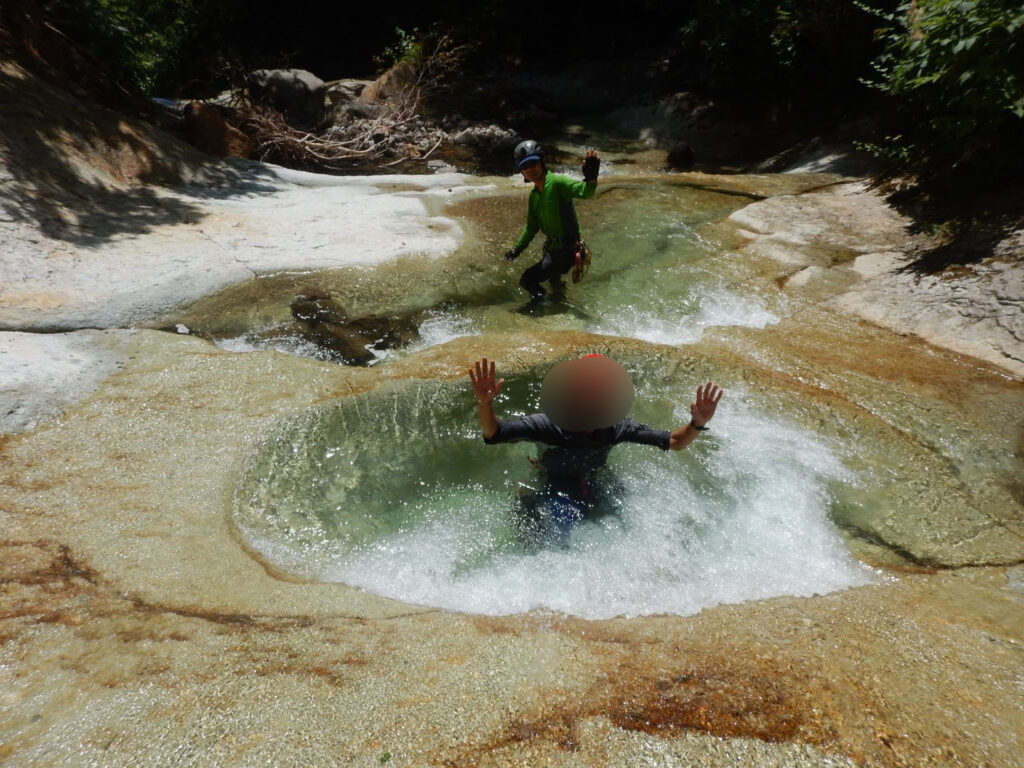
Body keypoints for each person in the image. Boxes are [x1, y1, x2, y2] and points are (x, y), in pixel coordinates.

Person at [468, 354, 723, 541]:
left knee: (627, 525)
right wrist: (484, 403)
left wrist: (697, 423)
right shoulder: (547, 425)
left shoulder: (616, 428)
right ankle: (527, 498)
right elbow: (495, 433)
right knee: (558, 532)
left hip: (594, 477)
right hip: (555, 480)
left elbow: (675, 442)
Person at [503, 140, 600, 300]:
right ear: (521, 172)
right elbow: (531, 228)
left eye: (533, 163)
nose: (530, 170)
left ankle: (540, 312)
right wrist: (516, 250)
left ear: (541, 163)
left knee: (528, 279)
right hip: (554, 249)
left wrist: (591, 180)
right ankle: (558, 306)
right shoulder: (534, 196)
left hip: (567, 250)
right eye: (525, 167)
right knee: (554, 282)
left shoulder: (557, 183)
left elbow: (585, 192)